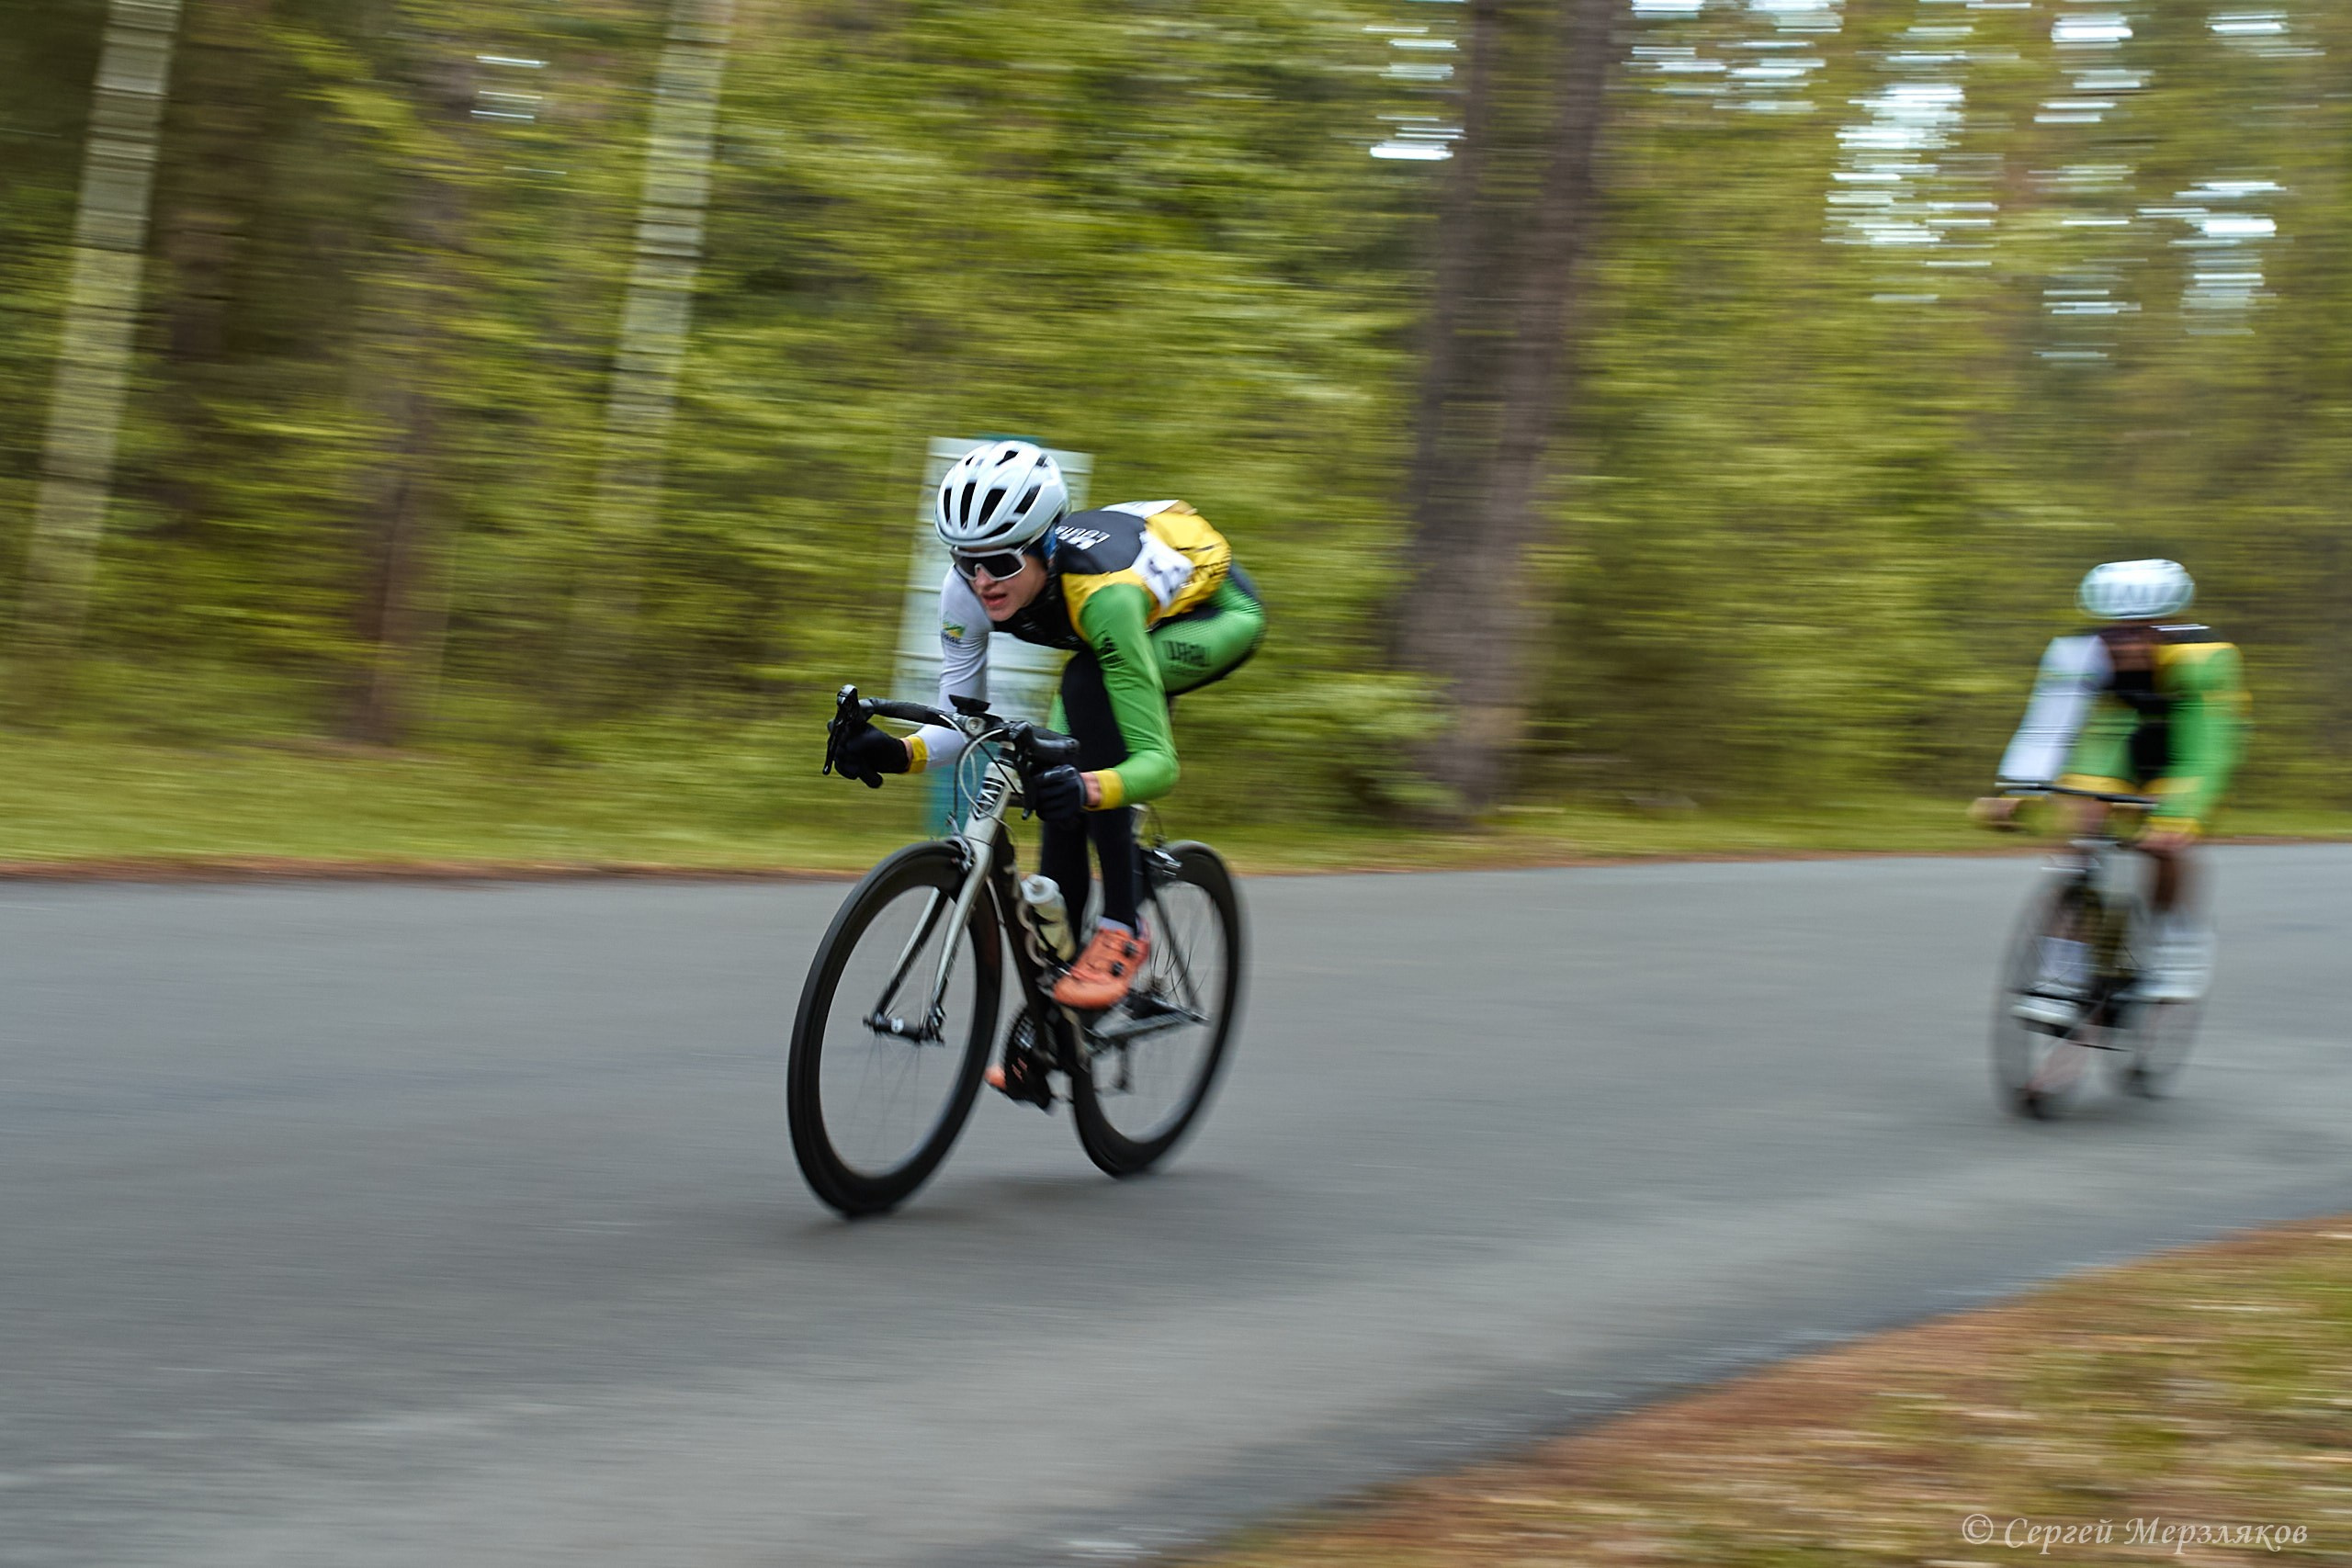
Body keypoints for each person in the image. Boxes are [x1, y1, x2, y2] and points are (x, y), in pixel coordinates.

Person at [831, 439, 1264, 1015]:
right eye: (966, 560)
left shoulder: (1104, 598)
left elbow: (1157, 766)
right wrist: (895, 751)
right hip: (1121, 607)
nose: (983, 581)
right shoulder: (964, 593)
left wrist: (1089, 786)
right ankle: (1059, 1023)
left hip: (1213, 616)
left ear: (1046, 546)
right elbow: (965, 724)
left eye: (1003, 563)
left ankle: (1123, 924)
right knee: (1052, 771)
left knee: (1087, 692)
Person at [1975, 558, 2246, 1021]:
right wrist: (2018, 790)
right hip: (2122, 737)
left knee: (2165, 843)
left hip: (2183, 742)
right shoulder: (2077, 651)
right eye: (2116, 631)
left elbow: (2209, 747)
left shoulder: (2206, 658)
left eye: (2142, 631)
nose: (2126, 642)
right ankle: (2061, 972)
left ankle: (2175, 941)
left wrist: (2180, 817)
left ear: (2167, 627)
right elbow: (2048, 727)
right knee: (2080, 817)